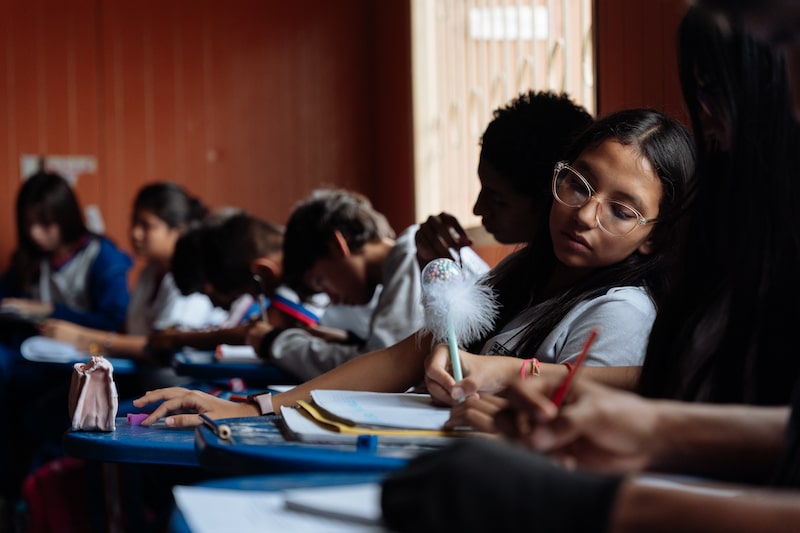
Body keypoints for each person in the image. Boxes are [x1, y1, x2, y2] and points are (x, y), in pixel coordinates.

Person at [132, 106, 695, 424]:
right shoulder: (523, 273)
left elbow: (568, 445)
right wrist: (254, 406)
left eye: (622, 210)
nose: (585, 214)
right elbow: (410, 355)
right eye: (578, 184)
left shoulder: (619, 314)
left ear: (654, 238)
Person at [242, 187, 487, 381]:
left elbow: (381, 370)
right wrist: (352, 341)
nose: (331, 298)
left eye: (320, 281)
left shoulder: (411, 251)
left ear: (337, 245)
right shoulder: (399, 262)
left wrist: (276, 342)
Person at [38, 182, 223, 367]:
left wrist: (81, 337)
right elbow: (130, 333)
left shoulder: (188, 280)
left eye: (147, 226)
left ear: (178, 231)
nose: (135, 233)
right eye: (134, 222)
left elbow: (164, 347)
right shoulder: (148, 273)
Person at [415, 90, 594, 268]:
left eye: (498, 199)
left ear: (548, 201)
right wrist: (433, 265)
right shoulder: (518, 271)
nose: (478, 209)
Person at [0, 171, 132, 333]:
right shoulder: (31, 256)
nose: (34, 233)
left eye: (45, 224)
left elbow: (113, 321)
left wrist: (49, 311)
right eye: (28, 223)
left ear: (65, 218)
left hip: (87, 352)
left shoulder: (103, 257)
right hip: (32, 349)